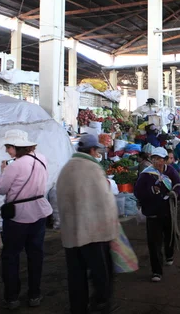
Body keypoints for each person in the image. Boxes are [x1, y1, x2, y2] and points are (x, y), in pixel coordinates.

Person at [57, 134, 119, 314]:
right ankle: (100, 305)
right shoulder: (93, 168)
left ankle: (78, 308)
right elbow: (106, 203)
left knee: (76, 276)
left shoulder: (66, 169)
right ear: (92, 150)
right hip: (95, 234)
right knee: (101, 274)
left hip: (71, 234)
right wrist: (113, 231)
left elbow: (60, 200)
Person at [0, 129, 52, 309]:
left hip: (18, 216)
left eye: (8, 147)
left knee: (11, 256)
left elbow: (0, 189)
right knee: (35, 255)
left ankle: (12, 297)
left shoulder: (14, 166)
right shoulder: (41, 158)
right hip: (39, 212)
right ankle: (34, 294)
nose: (6, 151)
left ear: (15, 147)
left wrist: (3, 171)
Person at [134, 147, 180, 283]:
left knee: (169, 236)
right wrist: (151, 191)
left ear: (165, 160)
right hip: (153, 213)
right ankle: (156, 271)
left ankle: (169, 255)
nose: (157, 162)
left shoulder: (171, 172)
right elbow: (137, 192)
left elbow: (179, 186)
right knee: (154, 243)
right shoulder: (146, 174)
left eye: (160, 159)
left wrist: (176, 194)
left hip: (168, 211)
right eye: (154, 159)